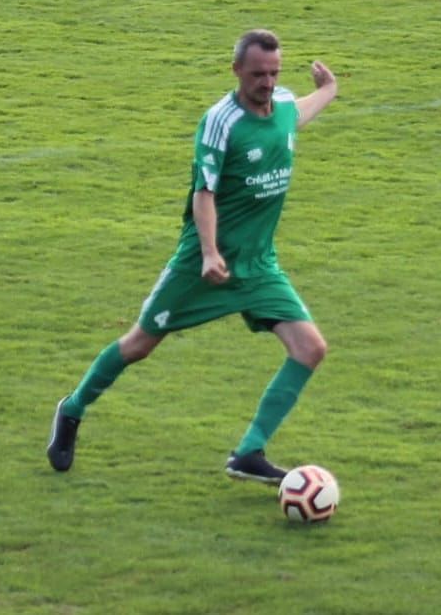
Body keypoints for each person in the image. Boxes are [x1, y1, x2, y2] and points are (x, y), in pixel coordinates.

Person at [46, 29, 339, 484]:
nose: (267, 82)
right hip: (204, 266)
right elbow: (204, 193)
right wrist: (208, 253)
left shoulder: (280, 104)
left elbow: (294, 115)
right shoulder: (221, 122)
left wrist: (328, 90)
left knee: (310, 348)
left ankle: (248, 453)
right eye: (258, 73)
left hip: (259, 265)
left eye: (274, 73)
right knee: (139, 344)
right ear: (236, 70)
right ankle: (73, 408)